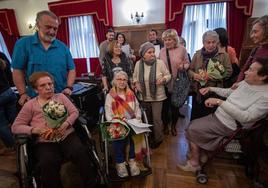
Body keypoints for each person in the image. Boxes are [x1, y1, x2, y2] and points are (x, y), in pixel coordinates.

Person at [178, 58, 268, 172]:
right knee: (192, 124)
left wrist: (219, 102)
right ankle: (202, 154)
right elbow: (229, 92)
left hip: (231, 125)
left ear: (263, 76)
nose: (245, 72)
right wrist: (210, 88)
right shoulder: (247, 82)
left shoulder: (265, 97)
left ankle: (194, 163)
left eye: (250, 70)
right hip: (219, 117)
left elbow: (246, 117)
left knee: (192, 129)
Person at [11, 72, 96, 188]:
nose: (48, 87)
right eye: (43, 85)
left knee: (80, 152)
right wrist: (35, 129)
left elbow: (74, 112)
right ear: (36, 90)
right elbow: (15, 126)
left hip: (66, 135)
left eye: (50, 84)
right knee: (47, 162)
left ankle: (91, 184)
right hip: (45, 141)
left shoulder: (61, 97)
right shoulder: (30, 105)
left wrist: (66, 123)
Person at [12, 10, 75, 105]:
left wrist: (69, 87)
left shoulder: (63, 47)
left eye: (55, 28)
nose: (52, 31)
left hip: (60, 98)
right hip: (35, 99)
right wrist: (23, 93)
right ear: (37, 25)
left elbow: (71, 69)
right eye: (48, 27)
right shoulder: (23, 44)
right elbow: (17, 70)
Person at [133, 42, 171, 149]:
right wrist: (136, 84)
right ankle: (148, 137)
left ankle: (158, 139)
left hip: (158, 97)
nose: (152, 54)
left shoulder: (160, 63)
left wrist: (163, 79)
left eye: (153, 52)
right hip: (143, 97)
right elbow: (134, 77)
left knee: (157, 119)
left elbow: (168, 75)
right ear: (143, 54)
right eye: (149, 52)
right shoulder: (138, 64)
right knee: (146, 118)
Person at [188, 30, 232, 121]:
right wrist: (195, 75)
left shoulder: (224, 56)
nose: (211, 45)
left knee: (211, 118)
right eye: (208, 42)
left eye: (213, 42)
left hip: (214, 92)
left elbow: (229, 72)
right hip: (198, 92)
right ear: (203, 43)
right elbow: (189, 70)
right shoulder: (197, 54)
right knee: (197, 118)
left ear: (217, 42)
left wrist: (213, 76)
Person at [105, 71, 141, 178]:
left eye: (124, 80)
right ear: (114, 82)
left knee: (133, 135)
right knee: (118, 135)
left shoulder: (131, 94)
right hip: (117, 123)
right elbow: (108, 112)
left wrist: (137, 120)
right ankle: (120, 163)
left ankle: (132, 161)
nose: (122, 82)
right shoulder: (110, 96)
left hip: (131, 122)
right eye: (119, 79)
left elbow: (137, 108)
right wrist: (116, 122)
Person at [159, 29, 190, 136]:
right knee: (165, 107)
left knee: (175, 107)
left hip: (177, 82)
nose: (167, 42)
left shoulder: (182, 50)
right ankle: (166, 125)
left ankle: (173, 126)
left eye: (169, 39)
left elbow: (187, 63)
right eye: (165, 40)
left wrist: (183, 66)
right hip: (164, 83)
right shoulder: (162, 51)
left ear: (175, 40)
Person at [236, 15, 268, 83]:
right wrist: (238, 82)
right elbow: (245, 68)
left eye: (255, 32)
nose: (251, 36)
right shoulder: (256, 49)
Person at [0, 52, 17, 154]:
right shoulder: (1, 55)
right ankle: (25, 142)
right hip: (8, 91)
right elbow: (9, 72)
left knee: (1, 125)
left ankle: (13, 147)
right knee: (15, 120)